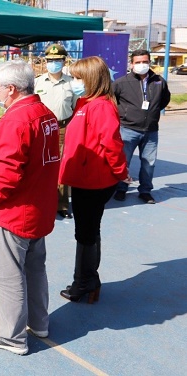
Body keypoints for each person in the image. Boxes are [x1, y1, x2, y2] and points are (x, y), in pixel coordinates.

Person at [0, 60, 60, 355]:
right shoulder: (43, 113)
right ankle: (39, 322)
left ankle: (10, 336)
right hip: (38, 207)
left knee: (6, 274)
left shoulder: (16, 120)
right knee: (35, 268)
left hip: (15, 212)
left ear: (10, 89)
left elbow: (7, 169)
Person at [59, 56, 131, 303]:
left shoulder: (99, 106)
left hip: (93, 180)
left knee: (86, 233)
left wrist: (121, 172)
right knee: (89, 230)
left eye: (78, 78)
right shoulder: (86, 103)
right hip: (84, 178)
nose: (74, 82)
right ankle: (88, 279)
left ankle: (85, 282)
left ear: (90, 79)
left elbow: (111, 144)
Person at [112, 49, 171, 204]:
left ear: (149, 62)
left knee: (149, 163)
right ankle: (121, 189)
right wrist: (124, 114)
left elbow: (164, 100)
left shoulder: (159, 81)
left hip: (151, 131)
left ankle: (145, 191)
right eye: (138, 62)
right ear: (131, 64)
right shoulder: (121, 83)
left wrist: (152, 114)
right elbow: (112, 101)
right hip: (128, 129)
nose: (141, 65)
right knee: (124, 162)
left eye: (145, 61)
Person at [34, 43, 78, 218]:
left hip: (62, 128)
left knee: (61, 166)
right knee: (40, 165)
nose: (54, 63)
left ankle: (62, 205)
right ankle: (40, 200)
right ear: (45, 62)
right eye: (50, 60)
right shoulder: (37, 81)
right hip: (41, 129)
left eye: (57, 60)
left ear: (64, 61)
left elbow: (75, 107)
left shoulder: (72, 84)